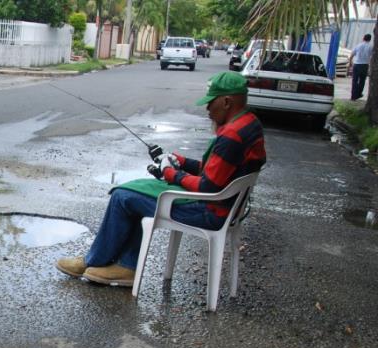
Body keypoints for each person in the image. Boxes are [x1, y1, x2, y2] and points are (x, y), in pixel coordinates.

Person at [56, 71, 266, 287]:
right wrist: (181, 161)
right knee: (137, 193)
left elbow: (208, 186)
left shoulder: (232, 135)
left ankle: (96, 261)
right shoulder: (250, 124)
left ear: (227, 102)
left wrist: (170, 173)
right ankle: (125, 266)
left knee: (122, 196)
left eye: (210, 103)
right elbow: (218, 170)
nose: (207, 110)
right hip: (226, 207)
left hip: (209, 212)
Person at [350, 34, 372, 101]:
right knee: (362, 81)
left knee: (355, 81)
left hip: (357, 64)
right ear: (370, 39)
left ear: (363, 38)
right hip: (365, 65)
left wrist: (351, 62)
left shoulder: (358, 45)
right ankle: (359, 94)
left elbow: (352, 54)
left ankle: (353, 96)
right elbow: (372, 56)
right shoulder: (371, 47)